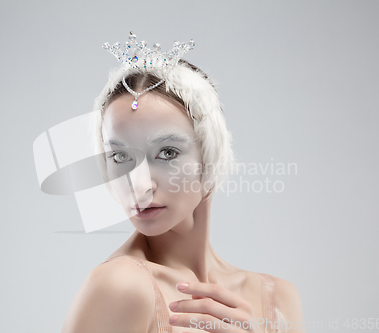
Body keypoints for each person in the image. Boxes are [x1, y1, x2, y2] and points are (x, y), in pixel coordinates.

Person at [61, 32, 304, 333]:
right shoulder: (121, 286)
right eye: (121, 157)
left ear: (210, 154)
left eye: (167, 152)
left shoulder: (278, 298)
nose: (140, 186)